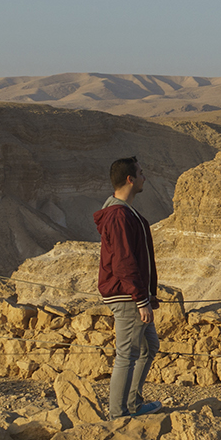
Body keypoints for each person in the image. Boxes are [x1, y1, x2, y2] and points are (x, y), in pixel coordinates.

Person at [94, 156, 162, 418]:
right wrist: (141, 300)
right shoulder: (119, 215)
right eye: (141, 173)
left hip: (134, 294)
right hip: (127, 297)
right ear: (130, 179)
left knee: (149, 346)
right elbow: (124, 261)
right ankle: (119, 414)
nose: (145, 178)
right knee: (128, 354)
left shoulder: (123, 212)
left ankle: (132, 404)